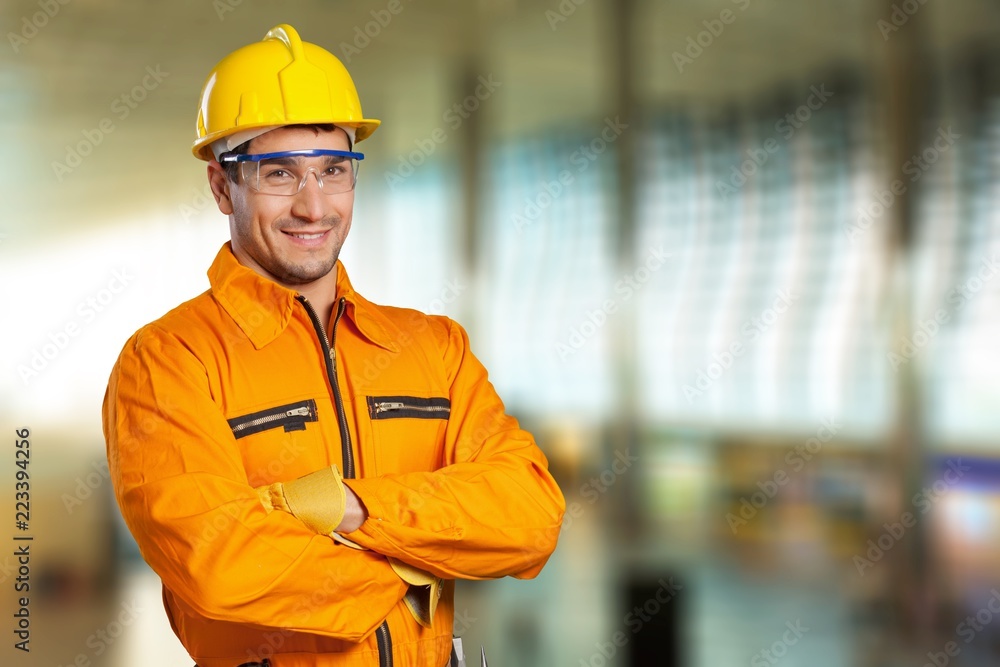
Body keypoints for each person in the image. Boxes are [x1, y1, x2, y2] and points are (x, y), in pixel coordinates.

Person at [102, 24, 565, 667]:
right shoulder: (168, 362)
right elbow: (218, 564)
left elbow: (530, 517)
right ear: (220, 187)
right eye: (277, 173)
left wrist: (349, 508)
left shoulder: (435, 347)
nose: (313, 206)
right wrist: (412, 570)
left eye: (332, 170)